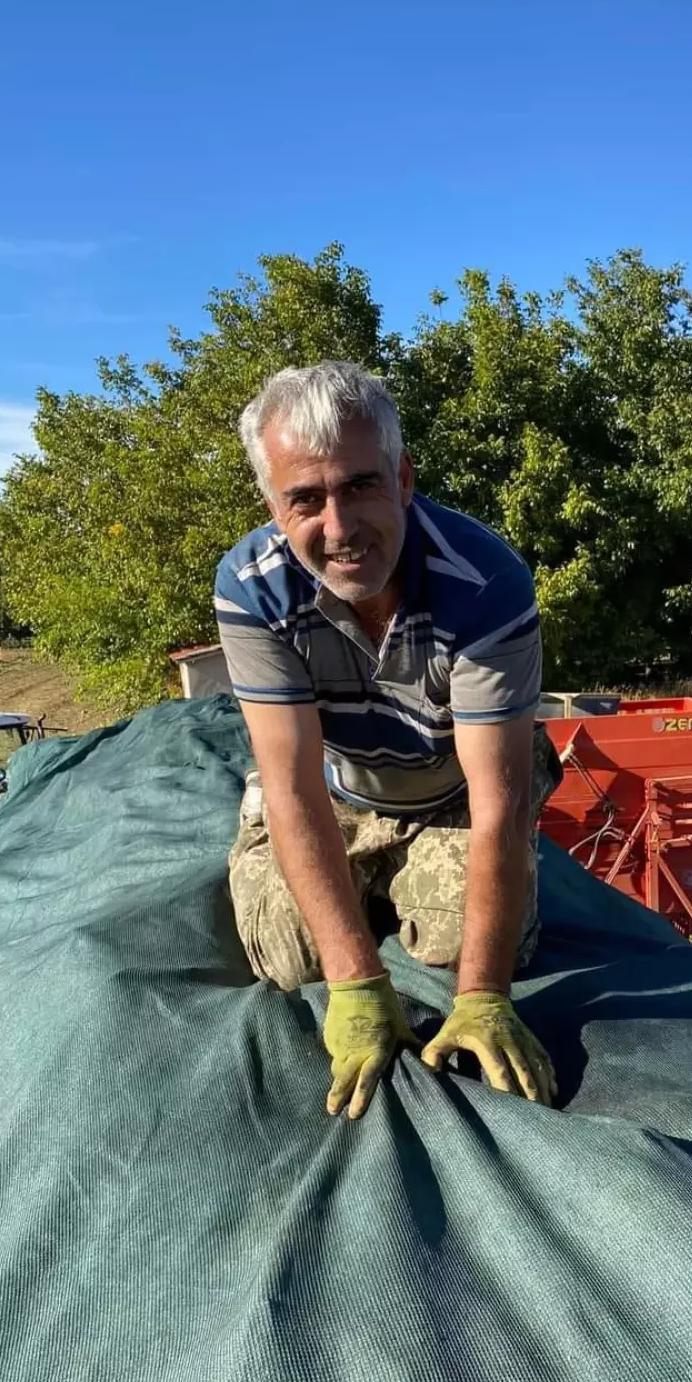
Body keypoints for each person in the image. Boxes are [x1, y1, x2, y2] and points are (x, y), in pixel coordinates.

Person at [214, 361, 560, 1121]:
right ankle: (287, 863)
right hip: (336, 790)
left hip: (450, 794)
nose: (339, 529)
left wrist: (482, 997)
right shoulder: (250, 587)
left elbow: (500, 805)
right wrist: (359, 989)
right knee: (294, 959)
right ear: (273, 506)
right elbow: (295, 785)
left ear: (402, 478)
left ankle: (398, 892)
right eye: (306, 499)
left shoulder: (485, 582)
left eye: (360, 486)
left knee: (464, 942)